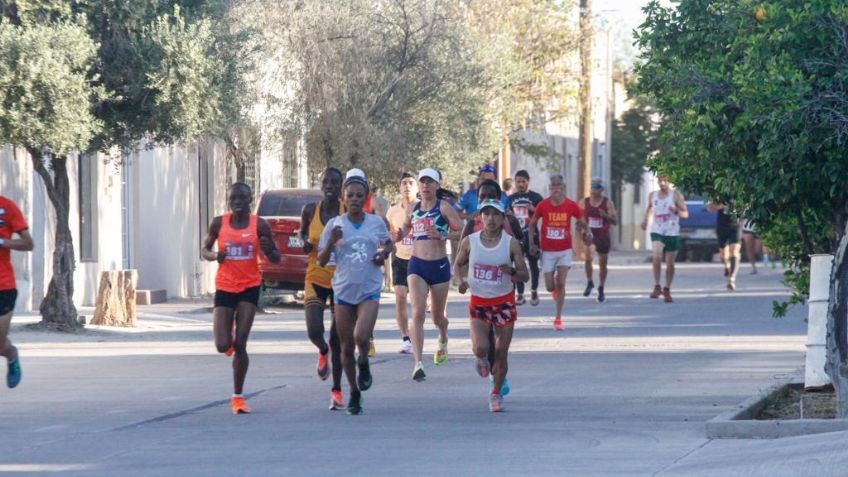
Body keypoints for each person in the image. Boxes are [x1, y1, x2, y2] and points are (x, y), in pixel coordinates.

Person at [318, 172, 393, 415]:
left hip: (369, 289)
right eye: (350, 195)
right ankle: (354, 392)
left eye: (359, 196)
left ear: (366, 198)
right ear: (343, 197)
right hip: (343, 291)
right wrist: (331, 241)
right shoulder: (335, 225)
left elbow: (388, 243)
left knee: (361, 337)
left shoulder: (375, 223)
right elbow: (321, 261)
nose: (354, 199)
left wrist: (383, 255)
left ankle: (364, 361)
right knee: (345, 346)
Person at [202, 183, 281, 414]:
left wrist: (268, 249)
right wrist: (216, 255)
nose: (237, 202)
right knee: (222, 345)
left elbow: (276, 258)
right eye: (233, 198)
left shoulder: (260, 225)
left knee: (241, 344)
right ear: (228, 200)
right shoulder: (219, 223)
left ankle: (238, 397)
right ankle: (230, 334)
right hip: (225, 286)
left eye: (242, 198)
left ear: (249, 200)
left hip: (249, 285)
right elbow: (204, 250)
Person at [454, 199, 529, 412]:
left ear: (503, 218)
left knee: (501, 352)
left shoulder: (510, 243)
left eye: (496, 215)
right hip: (479, 302)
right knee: (481, 348)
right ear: (480, 217)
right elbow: (458, 264)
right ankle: (481, 359)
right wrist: (460, 282)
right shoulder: (470, 241)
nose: (491, 219)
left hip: (504, 302)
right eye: (486, 214)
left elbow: (525, 275)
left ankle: (495, 393)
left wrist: (513, 272)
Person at [394, 168, 463, 381]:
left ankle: (443, 337)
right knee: (417, 313)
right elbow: (405, 229)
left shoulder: (443, 207)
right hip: (416, 265)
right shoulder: (414, 209)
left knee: (438, 317)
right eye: (422, 182)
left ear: (437, 185)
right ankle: (418, 363)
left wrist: (443, 234)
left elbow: (460, 229)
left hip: (439, 266)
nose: (425, 186)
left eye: (429, 182)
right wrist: (396, 236)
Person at [299, 168, 346, 410]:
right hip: (315, 276)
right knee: (314, 331)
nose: (329, 185)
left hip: (342, 280)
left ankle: (337, 390)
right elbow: (302, 237)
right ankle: (322, 349)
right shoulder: (310, 211)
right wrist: (306, 244)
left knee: (338, 338)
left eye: (334, 182)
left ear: (341, 187)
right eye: (325, 181)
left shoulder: (347, 212)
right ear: (320, 184)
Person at [528, 174, 591, 331]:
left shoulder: (571, 205)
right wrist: (531, 243)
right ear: (550, 188)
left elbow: (582, 221)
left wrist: (587, 231)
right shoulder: (543, 205)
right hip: (547, 251)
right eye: (553, 185)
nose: (556, 188)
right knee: (550, 287)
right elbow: (532, 224)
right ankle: (554, 287)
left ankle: (558, 318)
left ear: (563, 187)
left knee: (561, 283)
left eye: (559, 185)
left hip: (564, 250)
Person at [0, 195, 34, 389]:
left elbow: (29, 244)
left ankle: (11, 355)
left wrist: (3, 242)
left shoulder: (7, 206)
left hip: (3, 286)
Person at [640, 175, 689, 303]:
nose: (662, 183)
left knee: (670, 263)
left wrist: (676, 211)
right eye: (660, 180)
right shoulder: (653, 195)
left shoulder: (676, 195)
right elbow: (649, 208)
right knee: (656, 257)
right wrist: (645, 221)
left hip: (672, 232)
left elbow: (685, 214)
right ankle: (657, 286)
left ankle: (667, 288)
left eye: (665, 180)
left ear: (669, 181)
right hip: (657, 230)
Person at [386, 172, 417, 354]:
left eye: (410, 183)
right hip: (400, 258)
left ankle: (418, 332)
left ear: (416, 187)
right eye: (404, 183)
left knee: (417, 303)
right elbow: (390, 236)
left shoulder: (422, 208)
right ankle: (406, 338)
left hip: (420, 259)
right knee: (399, 297)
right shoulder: (392, 212)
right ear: (399, 187)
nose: (407, 186)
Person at [508, 170, 544, 306]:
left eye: (523, 181)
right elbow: (506, 217)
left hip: (532, 235)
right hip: (516, 237)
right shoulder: (511, 199)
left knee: (534, 264)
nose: (521, 184)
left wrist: (533, 209)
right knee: (518, 264)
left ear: (528, 181)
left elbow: (543, 214)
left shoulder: (536, 197)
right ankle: (520, 293)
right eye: (518, 181)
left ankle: (534, 290)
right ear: (515, 183)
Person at [582, 177, 618, 303]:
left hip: (603, 236)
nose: (594, 190)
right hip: (590, 235)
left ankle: (601, 287)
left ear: (601, 189)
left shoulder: (607, 203)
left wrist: (606, 216)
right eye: (592, 187)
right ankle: (590, 281)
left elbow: (615, 221)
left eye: (597, 187)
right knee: (588, 256)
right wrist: (580, 227)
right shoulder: (584, 202)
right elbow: (579, 218)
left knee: (603, 264)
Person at [708, 203, 741, 290]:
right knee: (724, 253)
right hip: (722, 226)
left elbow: (747, 205)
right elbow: (710, 208)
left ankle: (732, 278)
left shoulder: (740, 191)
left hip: (735, 225)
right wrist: (722, 206)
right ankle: (727, 266)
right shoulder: (718, 194)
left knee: (734, 251)